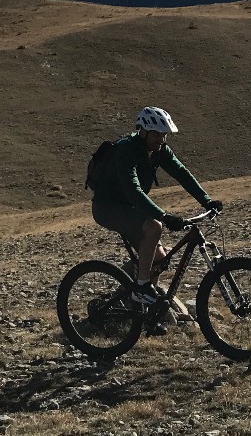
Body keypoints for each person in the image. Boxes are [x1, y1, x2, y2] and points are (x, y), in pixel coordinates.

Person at [89, 106, 222, 314]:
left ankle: (136, 305)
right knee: (154, 226)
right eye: (157, 134)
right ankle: (141, 287)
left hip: (130, 208)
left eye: (165, 134)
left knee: (159, 259)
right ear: (142, 131)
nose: (161, 139)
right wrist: (163, 216)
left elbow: (181, 173)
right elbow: (133, 190)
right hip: (107, 208)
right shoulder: (126, 149)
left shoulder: (159, 151)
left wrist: (207, 201)